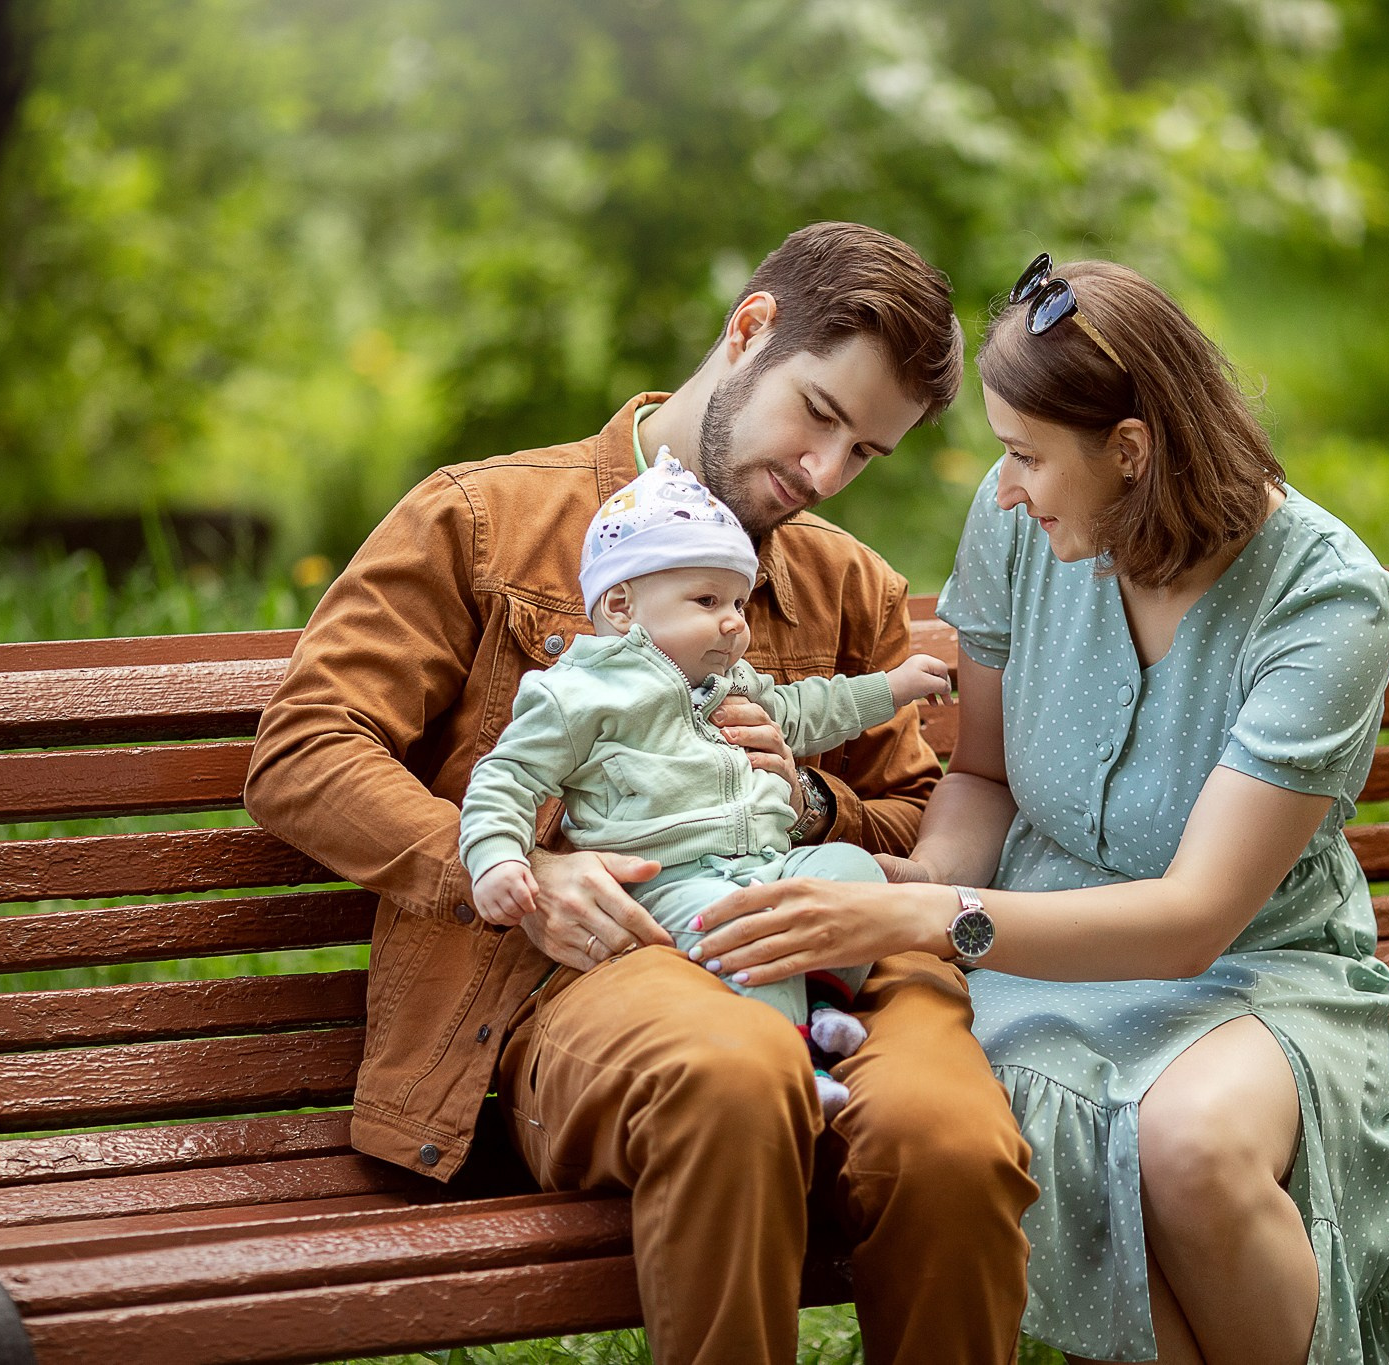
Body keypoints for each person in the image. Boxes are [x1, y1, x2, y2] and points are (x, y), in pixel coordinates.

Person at [689, 255, 1389, 1365]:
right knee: (1020, 1124)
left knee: (1186, 1146)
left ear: (1128, 450)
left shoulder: (1323, 600)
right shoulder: (1016, 520)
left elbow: (1192, 921)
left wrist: (929, 920)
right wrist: (905, 889)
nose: (1006, 486)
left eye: (1027, 454)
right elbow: (979, 781)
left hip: (1255, 974)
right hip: (1027, 961)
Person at [243, 222, 1037, 1365]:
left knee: (951, 1139)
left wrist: (813, 806)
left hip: (837, 956)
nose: (821, 473)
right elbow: (306, 746)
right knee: (733, 1070)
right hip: (584, 981)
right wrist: (505, 872)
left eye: (864, 453)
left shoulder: (845, 582)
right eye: (816, 414)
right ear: (749, 328)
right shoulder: (486, 520)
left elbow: (917, 820)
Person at [461, 449, 956, 1117]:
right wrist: (494, 856)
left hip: (767, 864)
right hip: (671, 884)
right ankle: (795, 1063)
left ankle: (822, 1007)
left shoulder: (727, 687)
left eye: (738, 602)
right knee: (752, 941)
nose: (734, 622)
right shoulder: (576, 695)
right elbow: (506, 776)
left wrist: (892, 689)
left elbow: (812, 708)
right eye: (707, 600)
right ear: (621, 604)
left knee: (853, 873)